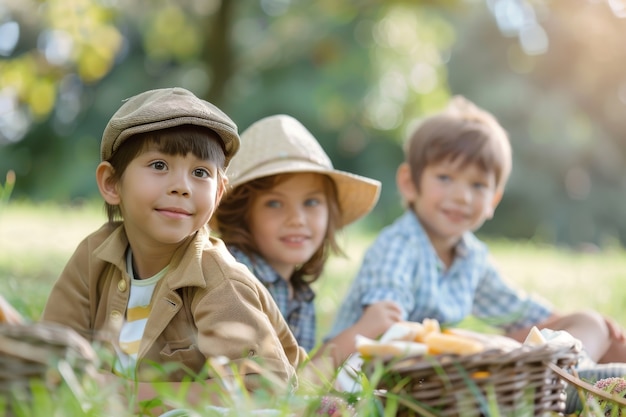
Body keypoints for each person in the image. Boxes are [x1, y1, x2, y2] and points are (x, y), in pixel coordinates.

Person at [41, 88, 306, 413]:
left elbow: (266, 388)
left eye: (200, 173)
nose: (182, 186)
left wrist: (127, 394)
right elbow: (51, 352)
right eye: (158, 165)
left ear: (219, 192)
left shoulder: (219, 280)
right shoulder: (93, 255)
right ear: (112, 183)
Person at [324, 95, 626, 369]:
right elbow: (385, 328)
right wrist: (486, 344)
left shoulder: (470, 257)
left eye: (478, 185)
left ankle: (575, 372)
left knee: (589, 323)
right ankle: (571, 379)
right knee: (497, 348)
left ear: (493, 200)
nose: (462, 197)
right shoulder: (398, 246)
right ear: (410, 183)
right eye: (445, 178)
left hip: (434, 369)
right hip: (375, 366)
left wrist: (587, 324)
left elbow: (523, 315)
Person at [212, 114, 381, 357]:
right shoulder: (237, 276)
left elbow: (294, 381)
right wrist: (359, 333)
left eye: (311, 202)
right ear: (242, 215)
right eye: (274, 203)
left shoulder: (298, 292)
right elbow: (277, 387)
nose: (297, 219)